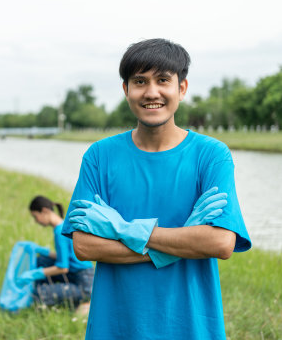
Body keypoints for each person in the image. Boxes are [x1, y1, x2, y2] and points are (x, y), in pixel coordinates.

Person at [62, 39, 251, 339]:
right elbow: (85, 246)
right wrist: (185, 239)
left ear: (182, 88)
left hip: (191, 325)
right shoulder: (100, 157)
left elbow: (220, 242)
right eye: (140, 82)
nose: (152, 92)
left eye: (163, 80)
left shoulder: (211, 155)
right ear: (126, 90)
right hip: (117, 326)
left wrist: (120, 227)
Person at [18, 195, 94, 315]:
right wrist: (44, 252)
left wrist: (35, 274)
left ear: (44, 211)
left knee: (39, 293)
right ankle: (58, 295)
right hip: (80, 275)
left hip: (83, 285)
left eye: (35, 216)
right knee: (42, 260)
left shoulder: (60, 232)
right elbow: (68, 257)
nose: (36, 221)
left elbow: (63, 267)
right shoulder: (63, 226)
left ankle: (83, 302)